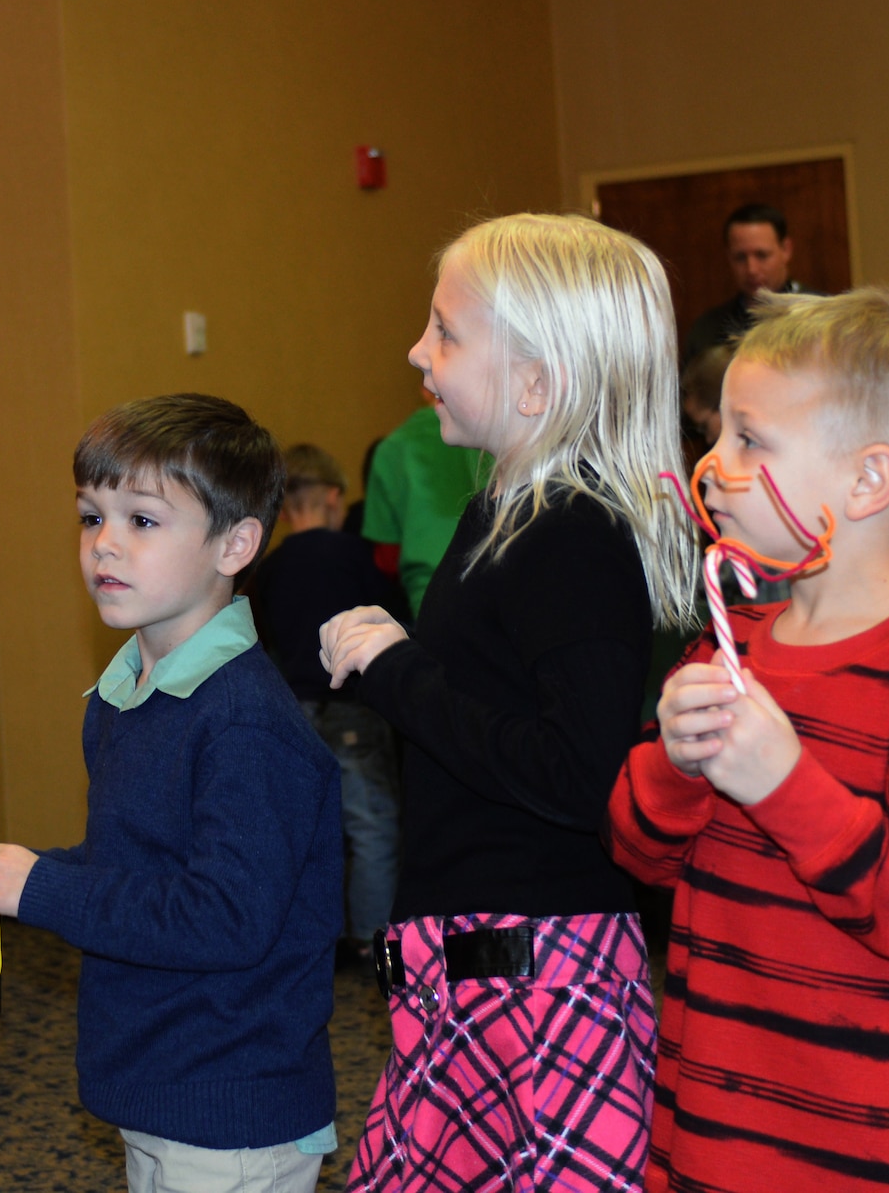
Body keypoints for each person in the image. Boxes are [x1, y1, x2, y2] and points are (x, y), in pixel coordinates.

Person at [609, 284, 889, 1192]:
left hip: (877, 1154)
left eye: (751, 440)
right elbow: (639, 854)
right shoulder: (730, 645)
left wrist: (784, 784)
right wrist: (674, 767)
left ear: (867, 481)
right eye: (718, 434)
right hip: (717, 1133)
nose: (712, 465)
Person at [319, 214, 695, 1192]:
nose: (415, 351)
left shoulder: (568, 531)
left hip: (534, 979)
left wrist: (394, 670)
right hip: (479, 966)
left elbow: (575, 773)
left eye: (444, 332)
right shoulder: (504, 509)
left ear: (535, 380)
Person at [0, 395, 342, 1193]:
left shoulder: (244, 725)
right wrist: (26, 876)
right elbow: (141, 864)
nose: (106, 546)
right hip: (162, 1082)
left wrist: (49, 890)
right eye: (91, 517)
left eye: (143, 521)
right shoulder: (126, 693)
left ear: (235, 544)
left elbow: (225, 918)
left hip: (233, 1104)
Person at [249, 444, 405, 957]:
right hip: (354, 707)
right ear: (335, 498)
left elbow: (262, 639)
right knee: (372, 825)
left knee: (308, 831)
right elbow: (394, 626)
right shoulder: (359, 558)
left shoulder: (268, 570)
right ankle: (371, 940)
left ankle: (318, 935)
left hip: (294, 710)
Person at [360, 400, 489, 618]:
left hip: (428, 596)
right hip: (496, 579)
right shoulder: (490, 435)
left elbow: (387, 557)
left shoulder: (390, 450)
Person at [684, 202, 808, 362]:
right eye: (740, 257)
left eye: (762, 255)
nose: (751, 269)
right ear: (729, 257)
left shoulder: (823, 317)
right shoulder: (706, 330)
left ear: (786, 249)